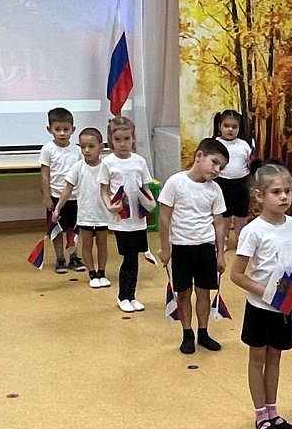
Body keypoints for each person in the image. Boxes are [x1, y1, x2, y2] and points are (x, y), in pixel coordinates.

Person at [230, 164, 292, 429]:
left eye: (288, 190)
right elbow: (237, 275)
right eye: (276, 192)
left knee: (275, 358)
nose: (284, 196)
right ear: (259, 196)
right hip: (261, 308)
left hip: (284, 308)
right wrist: (267, 293)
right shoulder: (253, 231)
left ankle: (273, 411)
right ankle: (260, 414)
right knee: (258, 359)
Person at [159, 138, 229, 355]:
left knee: (203, 293)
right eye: (214, 162)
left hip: (205, 247)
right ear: (199, 156)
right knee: (183, 293)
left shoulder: (215, 190)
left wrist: (220, 254)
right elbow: (164, 217)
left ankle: (203, 332)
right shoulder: (175, 182)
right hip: (181, 247)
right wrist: (165, 248)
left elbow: (219, 223)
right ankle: (187, 333)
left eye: (221, 167)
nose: (217, 170)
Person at [97, 116, 154, 312]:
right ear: (110, 140)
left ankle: (132, 296)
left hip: (138, 219)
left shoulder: (139, 161)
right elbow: (104, 190)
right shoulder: (108, 163)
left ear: (133, 139)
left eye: (127, 139)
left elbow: (145, 187)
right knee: (129, 258)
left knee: (135, 258)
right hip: (121, 220)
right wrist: (109, 206)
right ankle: (123, 296)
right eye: (118, 139)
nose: (122, 144)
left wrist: (150, 202)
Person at [64, 126, 112, 290]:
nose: (86, 150)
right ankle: (92, 274)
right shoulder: (78, 167)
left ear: (101, 147)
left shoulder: (106, 167)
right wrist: (57, 208)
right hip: (85, 214)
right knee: (86, 245)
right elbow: (67, 189)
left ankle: (102, 273)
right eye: (83, 146)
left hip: (103, 214)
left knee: (102, 244)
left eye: (91, 146)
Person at [40, 106, 83, 274]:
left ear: (73, 129)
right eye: (57, 129)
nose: (62, 133)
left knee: (73, 228)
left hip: (75, 197)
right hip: (55, 197)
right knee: (56, 229)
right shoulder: (47, 149)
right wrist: (46, 196)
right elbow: (45, 174)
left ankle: (73, 255)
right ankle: (60, 258)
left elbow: (82, 172)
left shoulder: (77, 150)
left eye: (66, 129)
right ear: (49, 129)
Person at [212, 108, 255, 243]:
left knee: (241, 215)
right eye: (226, 126)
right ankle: (223, 240)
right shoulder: (215, 144)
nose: (230, 129)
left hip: (241, 184)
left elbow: (250, 162)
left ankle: (241, 241)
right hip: (222, 183)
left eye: (234, 127)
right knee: (224, 215)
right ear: (219, 127)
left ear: (239, 128)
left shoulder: (244, 144)